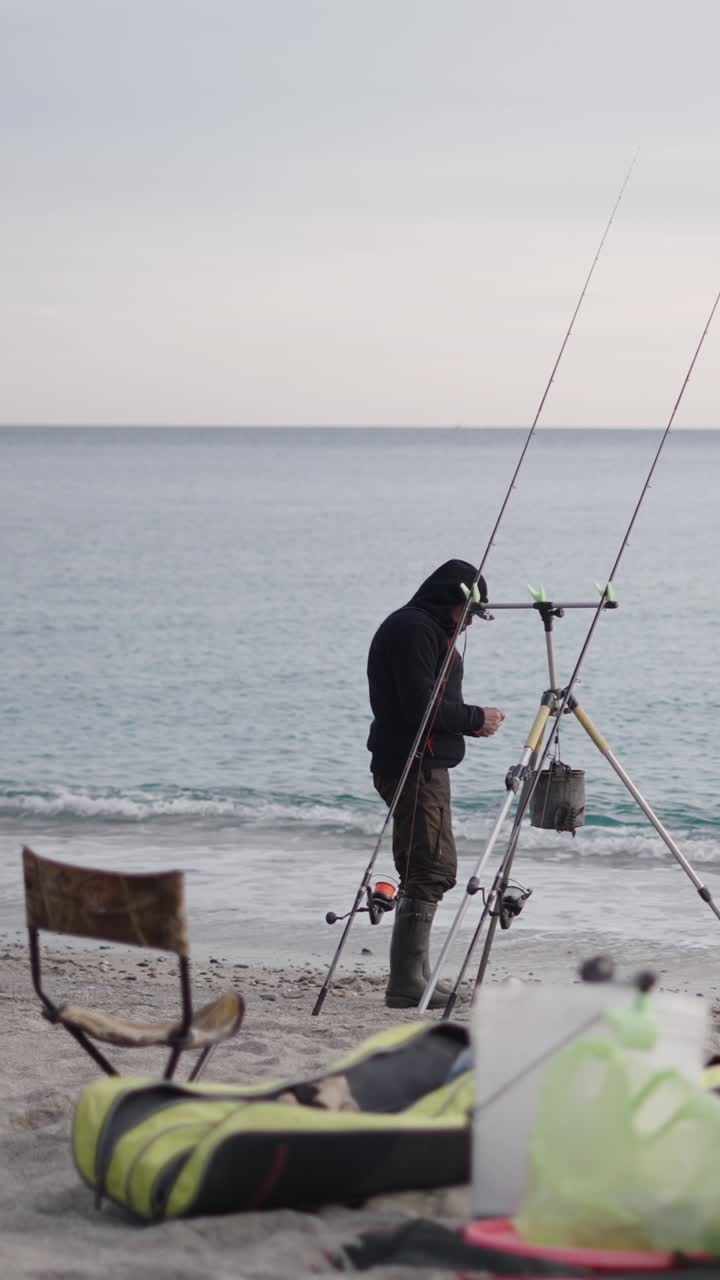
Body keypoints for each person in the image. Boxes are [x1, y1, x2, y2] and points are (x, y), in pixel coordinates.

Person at [367, 559, 506, 1008]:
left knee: (429, 864)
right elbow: (419, 707)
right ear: (450, 600)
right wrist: (475, 719)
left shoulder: (423, 628)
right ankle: (407, 981)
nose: (468, 625)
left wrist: (468, 723)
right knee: (430, 866)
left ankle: (417, 974)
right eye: (467, 614)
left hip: (423, 765)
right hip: (413, 765)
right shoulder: (414, 630)